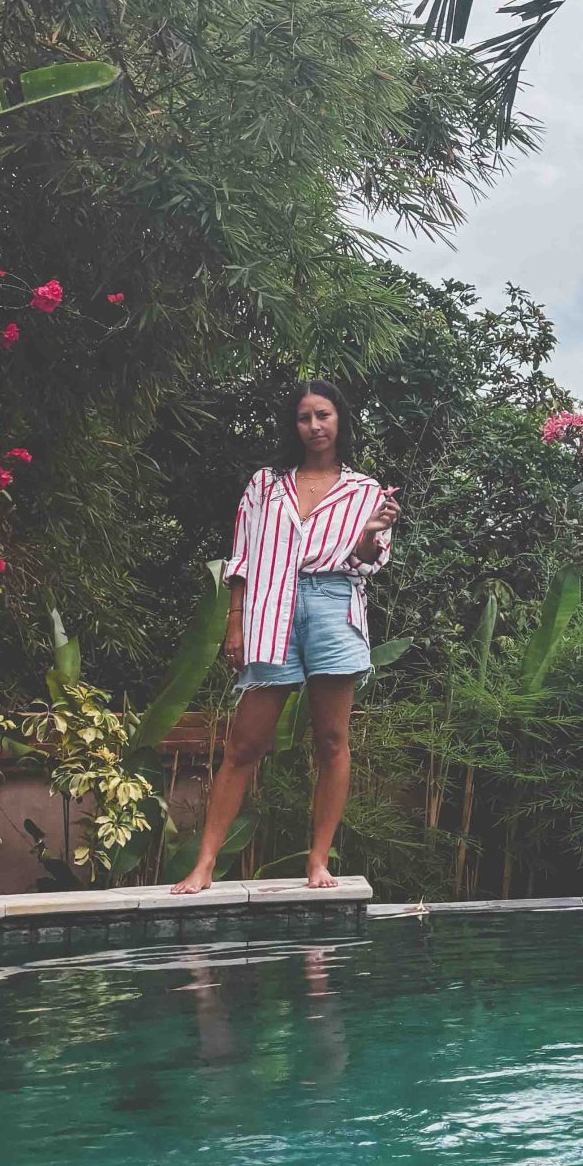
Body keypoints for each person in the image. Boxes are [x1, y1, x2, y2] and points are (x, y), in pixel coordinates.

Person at [172, 380, 398, 895]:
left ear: (340, 419)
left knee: (332, 740)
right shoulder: (265, 483)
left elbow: (368, 562)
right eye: (304, 417)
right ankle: (204, 863)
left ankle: (318, 862)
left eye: (324, 415)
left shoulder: (366, 491)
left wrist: (370, 531)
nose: (315, 426)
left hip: (334, 608)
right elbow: (243, 555)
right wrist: (235, 620)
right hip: (270, 608)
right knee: (245, 743)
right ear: (293, 425)